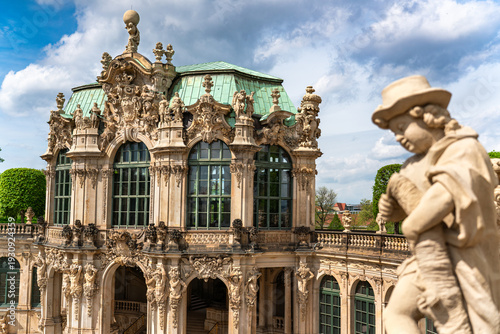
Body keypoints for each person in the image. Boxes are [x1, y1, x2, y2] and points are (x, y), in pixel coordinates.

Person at [373, 75, 500, 333]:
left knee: (478, 325)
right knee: (396, 313)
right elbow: (407, 206)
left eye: (401, 126)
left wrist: (413, 222)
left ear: (426, 117)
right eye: (393, 132)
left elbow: (442, 198)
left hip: (468, 256)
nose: (397, 137)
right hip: (428, 255)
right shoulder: (413, 164)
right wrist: (391, 209)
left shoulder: (464, 148)